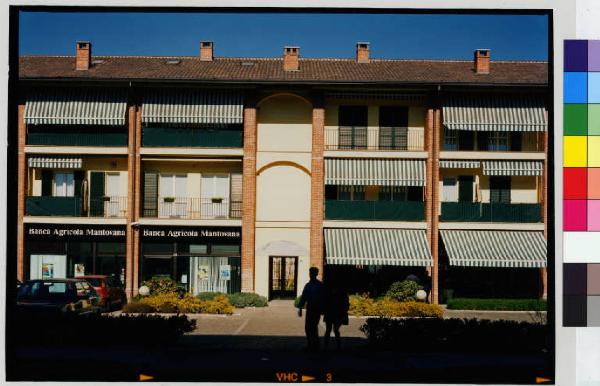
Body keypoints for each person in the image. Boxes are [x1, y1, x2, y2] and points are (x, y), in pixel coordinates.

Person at [297, 267, 325, 352]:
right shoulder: (308, 285)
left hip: (316, 309)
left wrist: (322, 309)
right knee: (308, 328)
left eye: (312, 273)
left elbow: (323, 298)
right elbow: (304, 297)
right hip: (310, 309)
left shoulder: (320, 285)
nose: (310, 274)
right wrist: (300, 308)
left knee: (313, 327)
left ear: (316, 274)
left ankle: (315, 345)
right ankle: (310, 344)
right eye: (310, 273)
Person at [323, 283, 349, 351]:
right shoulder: (330, 291)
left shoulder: (341, 293)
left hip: (336, 313)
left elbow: (346, 303)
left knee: (334, 330)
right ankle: (331, 346)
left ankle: (336, 346)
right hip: (331, 313)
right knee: (331, 330)